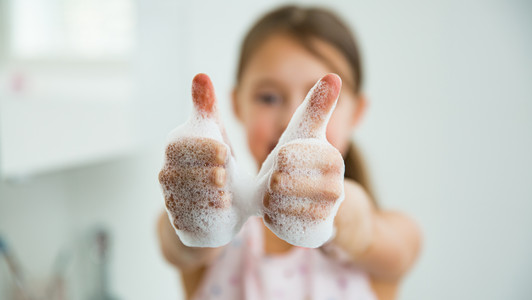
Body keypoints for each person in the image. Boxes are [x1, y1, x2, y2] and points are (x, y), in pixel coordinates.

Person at [157, 5, 422, 300]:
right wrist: (198, 210)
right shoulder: (213, 231)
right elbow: (177, 245)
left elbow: (377, 238)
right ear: (236, 104)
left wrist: (336, 214)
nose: (289, 120)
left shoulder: (391, 236)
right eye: (268, 97)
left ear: (357, 113)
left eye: (319, 101)